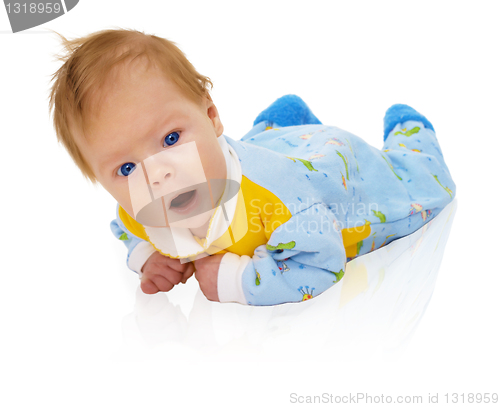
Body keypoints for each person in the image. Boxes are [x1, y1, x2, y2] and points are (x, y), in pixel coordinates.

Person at [49, 28, 456, 306]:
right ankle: (283, 120)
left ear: (211, 117)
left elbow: (322, 262)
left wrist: (236, 281)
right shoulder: (141, 208)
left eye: (171, 139)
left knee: (415, 189)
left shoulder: (282, 202)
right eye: (124, 168)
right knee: (264, 142)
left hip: (337, 176)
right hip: (262, 151)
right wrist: (147, 257)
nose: (157, 174)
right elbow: (126, 228)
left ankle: (411, 133)